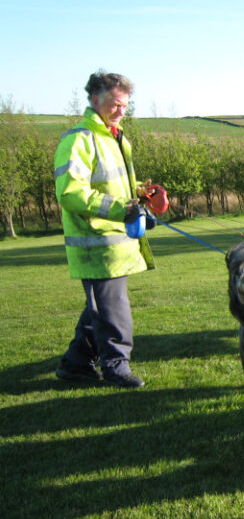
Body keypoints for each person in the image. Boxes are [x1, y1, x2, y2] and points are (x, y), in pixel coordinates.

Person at [54, 70, 157, 388]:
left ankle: (75, 363)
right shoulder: (79, 139)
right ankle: (116, 367)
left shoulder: (115, 138)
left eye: (125, 105)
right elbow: (70, 193)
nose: (121, 111)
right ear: (95, 99)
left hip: (116, 243)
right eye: (115, 104)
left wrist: (140, 193)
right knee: (113, 310)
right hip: (95, 244)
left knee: (98, 307)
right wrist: (121, 208)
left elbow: (113, 185)